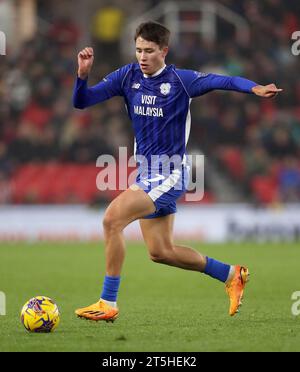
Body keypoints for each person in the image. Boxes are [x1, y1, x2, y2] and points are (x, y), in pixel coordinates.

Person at [73, 21, 282, 322]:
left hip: (169, 173)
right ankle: (231, 274)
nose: (142, 57)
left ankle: (107, 302)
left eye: (148, 51)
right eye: (138, 50)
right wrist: (82, 76)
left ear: (164, 51)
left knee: (111, 220)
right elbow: (82, 102)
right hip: (145, 174)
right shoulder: (127, 76)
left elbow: (221, 81)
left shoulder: (181, 80)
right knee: (161, 252)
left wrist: (255, 88)